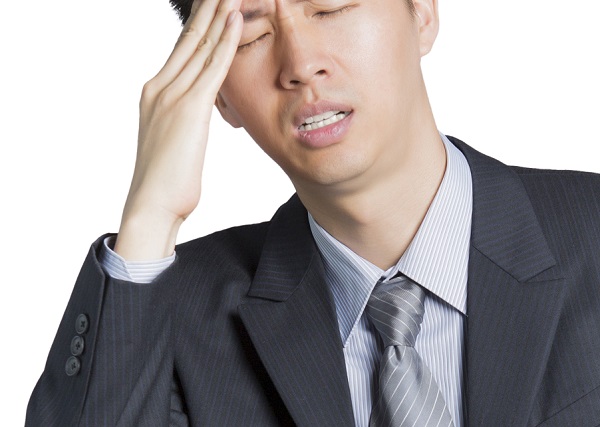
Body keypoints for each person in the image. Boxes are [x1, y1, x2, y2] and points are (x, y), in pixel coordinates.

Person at [25, 0, 600, 425]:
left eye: (329, 7)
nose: (300, 64)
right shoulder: (168, 319)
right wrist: (150, 214)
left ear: (422, 12)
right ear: (216, 92)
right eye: (251, 34)